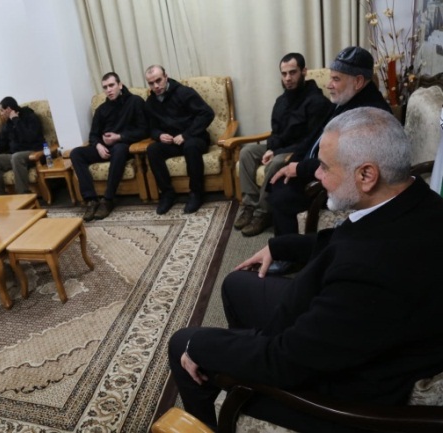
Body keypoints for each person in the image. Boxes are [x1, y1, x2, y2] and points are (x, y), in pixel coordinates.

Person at [168, 107, 443, 433]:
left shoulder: (373, 273)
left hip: (341, 395)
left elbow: (284, 363)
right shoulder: (417, 199)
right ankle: (248, 345)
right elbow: (347, 241)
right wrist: (279, 245)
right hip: (332, 326)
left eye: (326, 168)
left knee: (184, 341)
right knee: (235, 284)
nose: (318, 175)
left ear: (366, 175)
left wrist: (203, 348)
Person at [266, 47, 391, 238]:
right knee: (279, 180)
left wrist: (299, 169)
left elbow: (345, 163)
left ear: (357, 81)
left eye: (336, 79)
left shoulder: (370, 115)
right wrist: (294, 162)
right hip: (319, 168)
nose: (329, 85)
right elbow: (313, 137)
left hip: (344, 182)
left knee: (281, 194)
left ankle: (290, 256)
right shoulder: (346, 100)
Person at [234, 53, 331, 236]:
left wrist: (277, 151)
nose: (288, 78)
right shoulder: (281, 101)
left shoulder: (317, 102)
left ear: (304, 72)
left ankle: (264, 212)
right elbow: (276, 132)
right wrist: (270, 147)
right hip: (279, 149)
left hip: (298, 153)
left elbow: (311, 141)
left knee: (277, 161)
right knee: (247, 152)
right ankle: (249, 205)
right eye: (284, 74)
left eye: (292, 73)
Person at [70, 72, 148, 221]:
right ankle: (91, 200)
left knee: (119, 148)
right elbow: (93, 135)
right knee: (76, 153)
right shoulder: (101, 110)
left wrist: (119, 137)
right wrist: (98, 145)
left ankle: (108, 199)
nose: (109, 90)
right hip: (104, 148)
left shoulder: (135, 101)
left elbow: (144, 129)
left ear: (120, 85)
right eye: (105, 87)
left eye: (111, 85)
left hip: (125, 146)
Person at [144, 65, 215, 215]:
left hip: (195, 138)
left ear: (166, 77)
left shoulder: (184, 92)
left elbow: (207, 113)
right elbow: (151, 128)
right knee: (153, 150)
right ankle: (168, 193)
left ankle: (196, 193)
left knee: (190, 146)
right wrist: (159, 135)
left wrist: (186, 135)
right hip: (172, 143)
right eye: (151, 83)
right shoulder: (150, 102)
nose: (156, 86)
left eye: (158, 80)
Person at [0, 96, 44, 197]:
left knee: (16, 157)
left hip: (33, 152)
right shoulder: (7, 124)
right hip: (15, 156)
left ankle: (23, 196)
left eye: (2, 110)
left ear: (9, 109)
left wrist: (16, 120)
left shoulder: (29, 116)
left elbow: (30, 137)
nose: (1, 113)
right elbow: (3, 144)